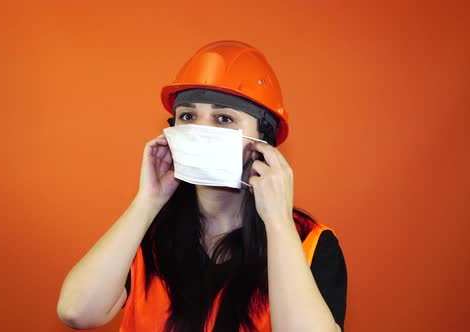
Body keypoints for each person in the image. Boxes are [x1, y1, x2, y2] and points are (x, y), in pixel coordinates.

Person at [57, 40, 347, 332]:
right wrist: (147, 202)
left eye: (224, 118)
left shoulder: (310, 243)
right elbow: (76, 312)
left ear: (264, 141)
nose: (201, 130)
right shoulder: (149, 234)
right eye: (188, 116)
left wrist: (278, 223)